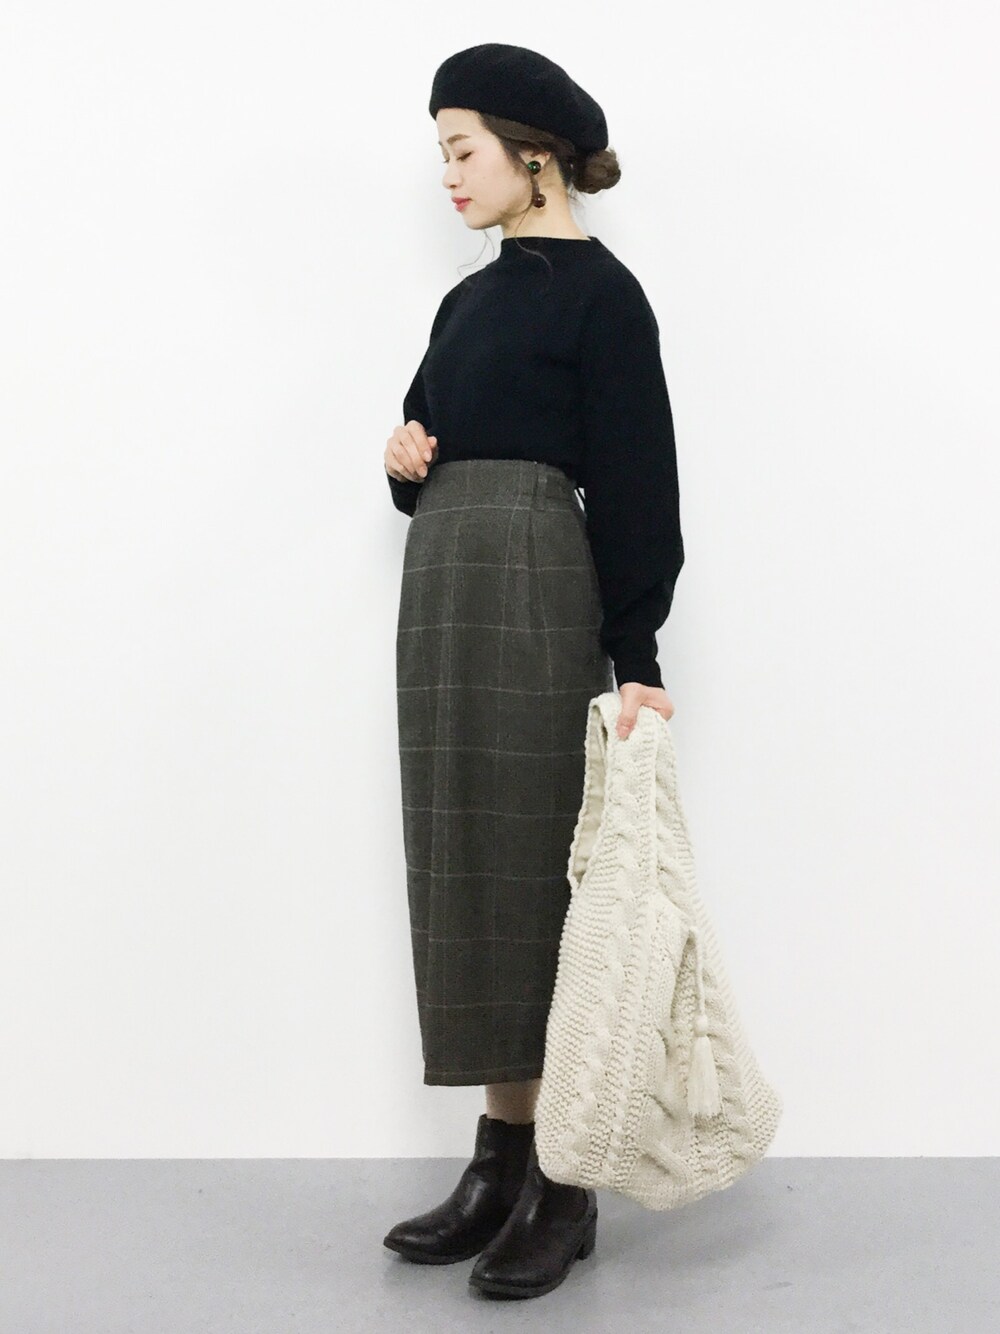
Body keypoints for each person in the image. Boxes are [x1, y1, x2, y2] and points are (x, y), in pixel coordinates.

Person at [381, 44, 684, 1300]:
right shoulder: (468, 301)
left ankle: (564, 1176)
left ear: (534, 154)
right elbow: (428, 432)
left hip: (531, 587)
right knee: (465, 865)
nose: (449, 175)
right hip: (444, 589)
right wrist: (402, 458)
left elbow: (638, 482)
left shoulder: (601, 297)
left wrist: (636, 655)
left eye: (462, 149)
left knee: (538, 869)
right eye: (443, 153)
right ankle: (500, 1157)